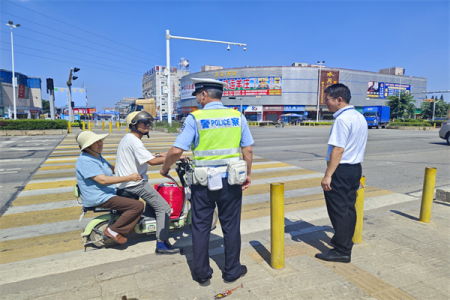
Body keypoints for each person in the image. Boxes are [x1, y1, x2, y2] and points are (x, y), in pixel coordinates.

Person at [160, 78, 254, 286]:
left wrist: (165, 168)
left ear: (204, 95)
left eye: (197, 96)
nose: (197, 99)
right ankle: (232, 272)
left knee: (200, 227)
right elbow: (247, 149)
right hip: (231, 181)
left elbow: (177, 150)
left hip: (202, 184)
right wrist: (247, 173)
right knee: (230, 226)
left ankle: (202, 274)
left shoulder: (196, 118)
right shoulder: (237, 117)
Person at [115, 111, 183, 255]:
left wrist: (165, 153)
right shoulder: (134, 140)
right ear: (133, 124)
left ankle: (154, 227)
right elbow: (151, 162)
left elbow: (149, 156)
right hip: (135, 184)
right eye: (143, 122)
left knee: (155, 204)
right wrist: (175, 158)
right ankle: (162, 244)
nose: (147, 125)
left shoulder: (130, 139)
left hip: (128, 183)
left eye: (148, 122)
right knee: (164, 208)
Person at [315, 83, 368, 263]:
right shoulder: (359, 116)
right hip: (354, 169)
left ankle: (341, 251)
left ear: (339, 99)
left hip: (341, 170)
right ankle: (344, 241)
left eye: (327, 100)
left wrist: (328, 175)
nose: (325, 104)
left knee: (338, 211)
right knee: (348, 208)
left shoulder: (342, 119)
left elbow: (338, 149)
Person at [75, 131, 144, 245]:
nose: (100, 143)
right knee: (138, 206)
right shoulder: (86, 161)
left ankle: (125, 223)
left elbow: (112, 169)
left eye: (100, 140)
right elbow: (103, 180)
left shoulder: (96, 156)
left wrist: (132, 168)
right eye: (96, 142)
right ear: (87, 147)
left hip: (106, 193)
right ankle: (113, 230)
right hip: (99, 197)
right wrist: (129, 177)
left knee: (132, 194)